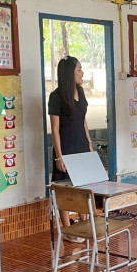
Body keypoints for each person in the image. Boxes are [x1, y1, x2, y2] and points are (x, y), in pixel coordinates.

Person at [49, 55, 93, 227]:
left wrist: (89, 144)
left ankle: (84, 224)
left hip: (81, 145)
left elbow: (83, 121)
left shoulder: (80, 92)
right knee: (65, 189)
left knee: (82, 186)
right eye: (79, 69)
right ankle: (67, 228)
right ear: (69, 73)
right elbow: (55, 129)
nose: (82, 73)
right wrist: (59, 157)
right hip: (66, 148)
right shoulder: (56, 96)